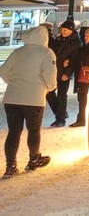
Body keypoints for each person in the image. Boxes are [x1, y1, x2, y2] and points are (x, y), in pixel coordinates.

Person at [0, 24, 56, 177]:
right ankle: (33, 159)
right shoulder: (46, 52)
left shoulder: (18, 51)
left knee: (13, 132)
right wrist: (49, 88)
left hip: (12, 98)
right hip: (34, 98)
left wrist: (13, 82)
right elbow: (50, 75)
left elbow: (3, 70)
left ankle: (11, 166)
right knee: (34, 130)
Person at [46, 19, 81, 127]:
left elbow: (75, 59)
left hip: (63, 72)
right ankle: (61, 113)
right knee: (49, 92)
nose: (63, 32)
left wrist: (68, 72)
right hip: (54, 70)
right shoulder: (60, 39)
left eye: (65, 30)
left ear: (71, 30)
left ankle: (60, 119)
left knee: (62, 95)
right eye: (62, 30)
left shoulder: (76, 43)